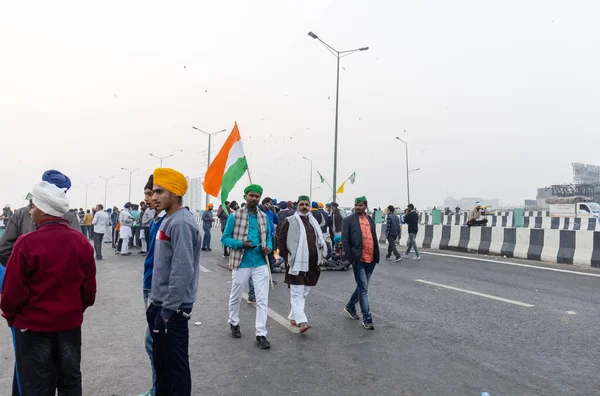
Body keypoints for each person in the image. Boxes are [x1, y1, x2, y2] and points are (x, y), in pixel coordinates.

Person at [1, 180, 96, 396]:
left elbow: (12, 293)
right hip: (69, 327)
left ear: (43, 210)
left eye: (33, 206)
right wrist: (73, 310)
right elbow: (89, 291)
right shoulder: (81, 243)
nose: (30, 211)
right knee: (69, 381)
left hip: (33, 329)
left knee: (36, 384)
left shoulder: (26, 244)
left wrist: (12, 317)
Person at [147, 168, 201, 396]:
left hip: (173, 309)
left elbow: (182, 270)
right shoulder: (169, 220)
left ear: (176, 194)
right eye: (154, 191)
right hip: (161, 304)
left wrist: (167, 312)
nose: (154, 197)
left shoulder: (180, 223)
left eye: (160, 191)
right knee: (163, 365)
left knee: (176, 367)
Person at [222, 184, 273, 349]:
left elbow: (269, 238)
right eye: (251, 195)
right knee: (236, 295)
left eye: (257, 196)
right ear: (245, 196)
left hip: (260, 262)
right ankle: (234, 322)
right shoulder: (234, 216)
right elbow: (225, 238)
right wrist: (240, 244)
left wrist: (269, 248)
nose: (254, 198)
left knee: (262, 299)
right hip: (241, 262)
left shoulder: (264, 217)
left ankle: (261, 334)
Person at [278, 196, 327, 334]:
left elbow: (319, 241)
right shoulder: (290, 221)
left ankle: (293, 316)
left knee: (305, 291)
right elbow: (281, 241)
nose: (304, 207)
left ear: (310, 207)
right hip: (296, 263)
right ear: (297, 206)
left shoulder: (313, 221)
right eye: (302, 204)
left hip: (312, 263)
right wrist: (287, 257)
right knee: (297, 291)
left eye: (307, 204)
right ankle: (301, 321)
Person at [138, 174, 166, 396]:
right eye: (148, 193)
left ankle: (160, 390)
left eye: (154, 193)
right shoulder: (155, 219)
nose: (149, 198)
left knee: (154, 343)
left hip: (158, 290)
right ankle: (158, 388)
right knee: (155, 344)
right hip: (149, 284)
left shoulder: (170, 220)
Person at [342, 196, 379, 330]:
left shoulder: (370, 220)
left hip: (371, 259)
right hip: (358, 260)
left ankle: (350, 306)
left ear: (365, 206)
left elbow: (373, 237)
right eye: (356, 205)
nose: (358, 207)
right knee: (363, 289)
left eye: (360, 205)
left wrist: (376, 256)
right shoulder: (348, 220)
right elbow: (345, 241)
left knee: (362, 287)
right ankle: (367, 318)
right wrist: (351, 258)